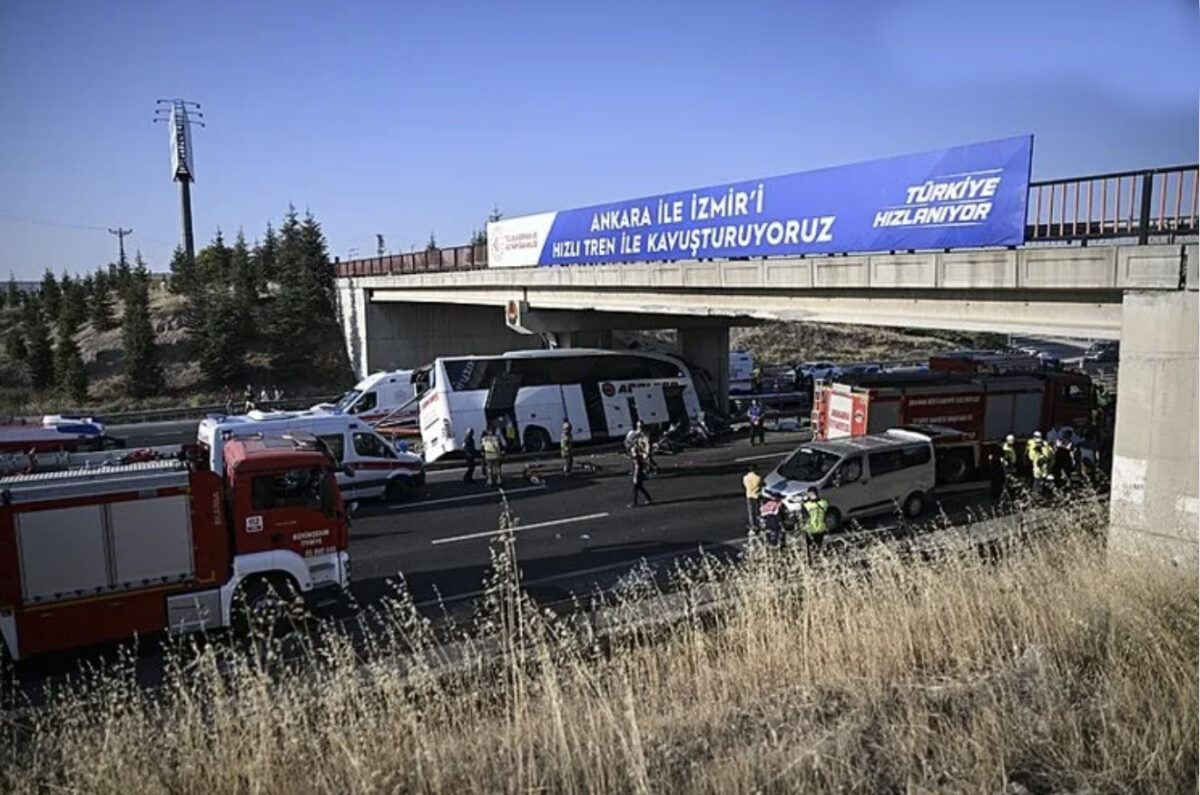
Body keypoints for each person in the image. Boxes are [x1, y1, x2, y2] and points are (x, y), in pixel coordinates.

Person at [800, 487, 829, 565]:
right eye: (810, 494)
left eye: (813, 494)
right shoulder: (806, 505)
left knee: (818, 547)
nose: (812, 495)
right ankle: (811, 562)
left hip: (820, 529)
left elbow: (826, 514)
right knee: (809, 549)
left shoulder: (823, 503)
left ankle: (817, 561)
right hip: (810, 530)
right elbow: (803, 517)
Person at [742, 465, 763, 529]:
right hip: (757, 495)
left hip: (749, 495)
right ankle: (760, 523)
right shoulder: (758, 477)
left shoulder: (745, 477)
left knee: (751, 511)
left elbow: (745, 485)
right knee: (758, 510)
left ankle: (753, 524)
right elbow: (760, 485)